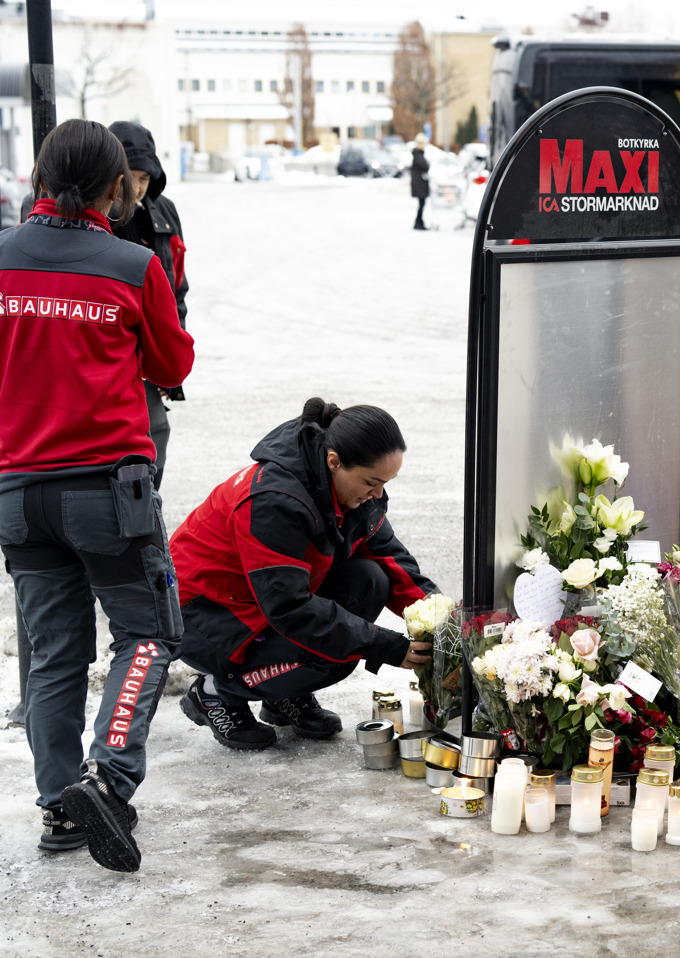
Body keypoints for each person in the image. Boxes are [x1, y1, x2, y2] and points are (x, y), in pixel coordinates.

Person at [0, 119, 195, 872]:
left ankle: (60, 808)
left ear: (42, 181)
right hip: (108, 492)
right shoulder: (130, 263)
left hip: (19, 493)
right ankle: (106, 781)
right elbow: (172, 359)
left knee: (52, 654)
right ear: (118, 187)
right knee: (147, 635)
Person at [171, 398, 436, 751]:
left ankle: (282, 694)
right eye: (372, 482)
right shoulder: (274, 502)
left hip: (258, 601)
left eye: (386, 483)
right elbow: (290, 610)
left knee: (370, 581)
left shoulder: (348, 488)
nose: (378, 494)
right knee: (334, 653)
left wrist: (442, 618)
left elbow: (389, 556)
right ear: (334, 462)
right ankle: (217, 692)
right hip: (206, 616)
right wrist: (383, 645)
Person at [109, 121, 189, 493]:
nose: (136, 186)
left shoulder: (163, 211)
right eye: (129, 176)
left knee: (156, 431)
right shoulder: (95, 212)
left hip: (150, 351)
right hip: (108, 346)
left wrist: (170, 365)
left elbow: (176, 289)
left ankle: (145, 508)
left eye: (144, 177)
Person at [410, 133, 430, 230]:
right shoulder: (418, 154)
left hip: (419, 183)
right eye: (423, 144)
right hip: (419, 184)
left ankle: (419, 221)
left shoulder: (418, 154)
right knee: (421, 204)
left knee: (422, 204)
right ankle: (418, 222)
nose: (424, 146)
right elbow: (425, 166)